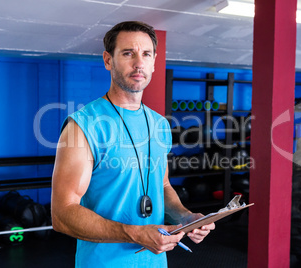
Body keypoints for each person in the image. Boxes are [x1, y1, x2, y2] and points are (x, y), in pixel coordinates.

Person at [51, 21, 215, 267]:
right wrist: (135, 233)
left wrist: (186, 217)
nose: (139, 63)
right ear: (108, 60)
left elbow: (163, 185)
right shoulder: (83, 126)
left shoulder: (159, 124)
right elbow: (62, 214)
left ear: (154, 62)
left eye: (146, 54)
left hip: (155, 262)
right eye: (128, 53)